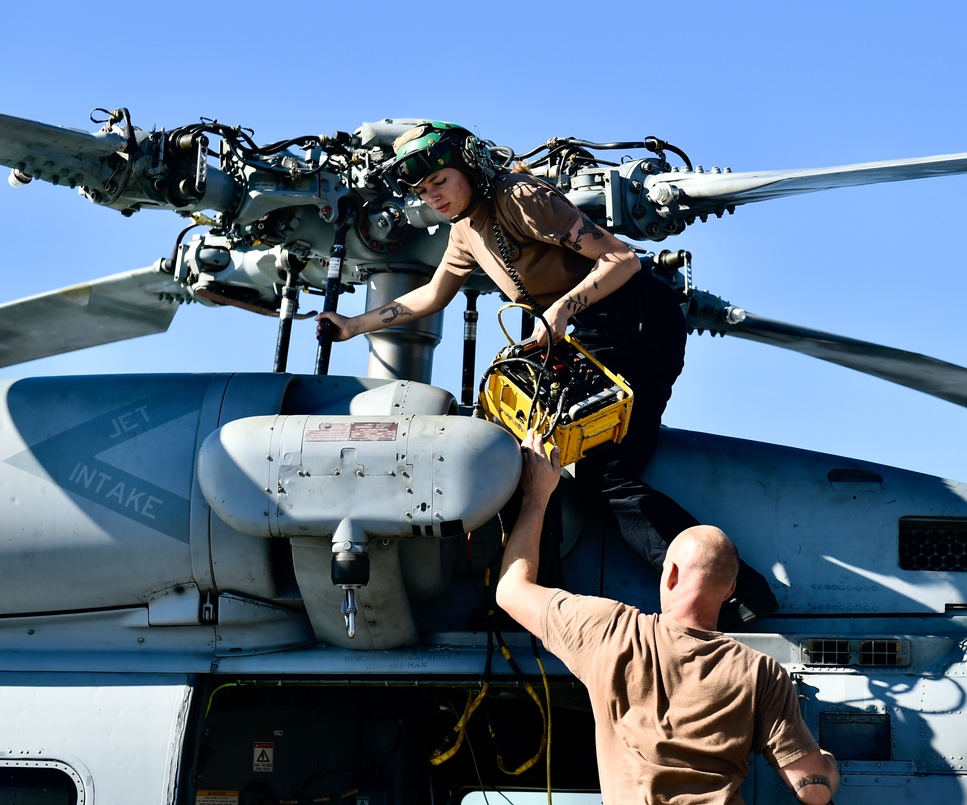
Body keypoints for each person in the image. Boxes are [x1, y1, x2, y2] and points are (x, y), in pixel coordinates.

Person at [316, 121, 776, 624]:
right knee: (514, 443)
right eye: (424, 191)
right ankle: (534, 597)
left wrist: (561, 310)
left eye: (440, 182)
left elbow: (622, 260)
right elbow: (432, 295)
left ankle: (735, 593)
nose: (434, 197)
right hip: (587, 332)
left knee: (606, 476)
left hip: (635, 323)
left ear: (467, 166)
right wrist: (353, 325)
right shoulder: (464, 231)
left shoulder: (521, 197)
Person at [495, 432, 840, 805]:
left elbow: (510, 590)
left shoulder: (610, 632)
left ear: (670, 573)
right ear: (729, 590)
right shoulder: (759, 673)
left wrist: (537, 495)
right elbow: (815, 791)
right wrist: (828, 765)